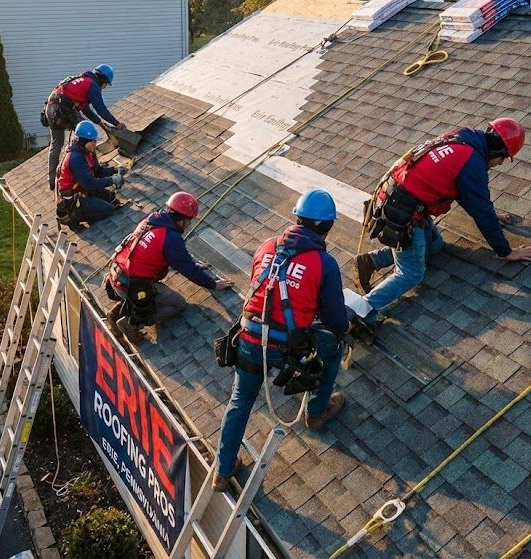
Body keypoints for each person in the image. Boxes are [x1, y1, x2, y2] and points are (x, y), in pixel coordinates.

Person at [213, 190, 350, 492]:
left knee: (240, 401)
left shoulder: (266, 246)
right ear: (327, 227)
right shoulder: (323, 263)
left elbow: (262, 289)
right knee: (333, 347)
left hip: (249, 336)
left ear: (297, 217)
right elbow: (334, 318)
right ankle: (316, 412)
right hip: (288, 346)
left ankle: (222, 471)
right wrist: (344, 330)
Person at [354, 118, 531, 316]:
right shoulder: (471, 162)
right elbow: (481, 211)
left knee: (434, 247)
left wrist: (491, 215)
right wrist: (505, 251)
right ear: (497, 151)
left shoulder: (464, 139)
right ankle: (358, 310)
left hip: (400, 199)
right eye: (503, 158)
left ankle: (371, 261)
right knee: (410, 275)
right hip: (403, 215)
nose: (501, 163)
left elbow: (468, 196)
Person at [104, 191, 234, 342]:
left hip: (117, 276)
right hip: (132, 285)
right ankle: (132, 323)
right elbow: (188, 270)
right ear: (182, 220)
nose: (189, 224)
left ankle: (115, 314)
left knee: (143, 294)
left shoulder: (153, 220)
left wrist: (193, 264)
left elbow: (167, 255)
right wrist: (213, 284)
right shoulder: (170, 237)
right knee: (177, 303)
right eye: (189, 220)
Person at [43, 64, 126, 191]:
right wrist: (116, 123)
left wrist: (101, 124)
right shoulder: (92, 86)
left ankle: (52, 181)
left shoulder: (83, 81)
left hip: (51, 108)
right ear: (102, 79)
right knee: (87, 136)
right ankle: (95, 170)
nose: (104, 87)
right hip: (63, 108)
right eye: (106, 84)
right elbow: (101, 109)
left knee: (56, 144)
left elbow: (86, 110)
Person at [56, 121, 124, 226]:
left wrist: (114, 170)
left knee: (111, 198)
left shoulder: (86, 151)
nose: (95, 144)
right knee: (109, 210)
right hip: (75, 199)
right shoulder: (76, 158)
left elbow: (97, 171)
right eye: (94, 141)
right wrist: (112, 180)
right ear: (85, 142)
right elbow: (88, 183)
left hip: (84, 190)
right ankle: (75, 217)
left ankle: (91, 206)